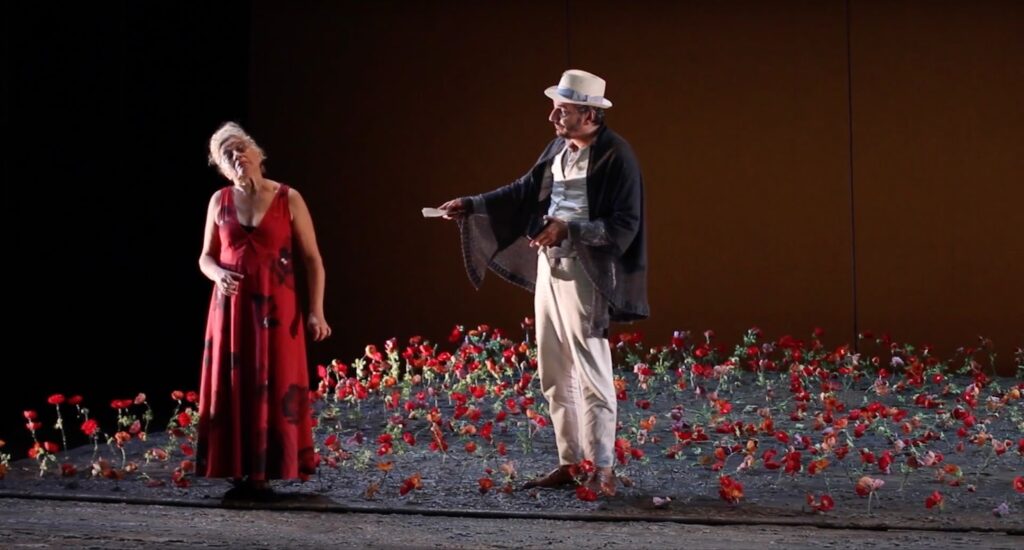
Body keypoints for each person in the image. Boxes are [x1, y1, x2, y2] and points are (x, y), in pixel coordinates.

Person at [439, 69, 648, 497]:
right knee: (554, 370)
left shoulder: (616, 156)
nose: (554, 116)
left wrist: (567, 229)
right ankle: (571, 462)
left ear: (589, 114)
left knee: (592, 370)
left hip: (587, 273)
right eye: (555, 107)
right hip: (550, 268)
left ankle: (603, 467)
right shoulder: (558, 148)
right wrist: (473, 203)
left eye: (564, 109)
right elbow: (523, 190)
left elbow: (624, 225)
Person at [196, 122, 332, 499]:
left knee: (277, 381)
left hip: (277, 311)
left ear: (258, 154)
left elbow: (313, 260)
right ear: (221, 167)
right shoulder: (219, 201)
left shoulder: (288, 198)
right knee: (235, 384)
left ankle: (266, 471)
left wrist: (316, 312)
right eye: (226, 154)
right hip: (232, 311)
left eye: (240, 148)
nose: (236, 156)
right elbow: (205, 257)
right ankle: (240, 469)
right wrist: (218, 273)